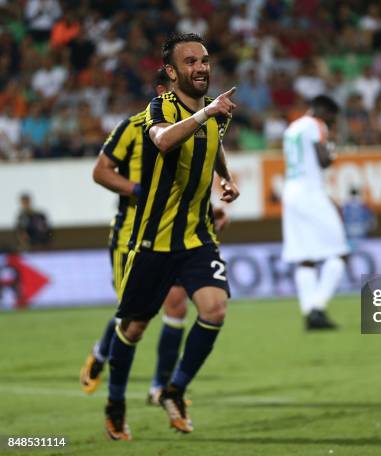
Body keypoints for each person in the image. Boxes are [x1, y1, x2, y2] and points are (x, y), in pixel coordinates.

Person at [102, 33, 239, 440]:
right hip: (154, 239)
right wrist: (207, 113)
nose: (201, 67)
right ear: (172, 71)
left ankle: (173, 390)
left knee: (214, 309)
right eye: (191, 61)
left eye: (205, 60)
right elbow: (163, 140)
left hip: (197, 234)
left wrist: (225, 179)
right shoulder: (161, 105)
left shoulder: (217, 112)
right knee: (133, 329)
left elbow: (213, 144)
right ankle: (115, 402)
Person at [79, 68, 229, 406]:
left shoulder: (195, 127)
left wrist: (211, 207)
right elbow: (100, 171)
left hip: (178, 235)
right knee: (132, 317)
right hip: (134, 232)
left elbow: (193, 180)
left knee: (176, 305)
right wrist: (138, 190)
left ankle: (160, 388)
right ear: (163, 90)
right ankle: (101, 353)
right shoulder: (133, 128)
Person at [281, 95, 349, 330]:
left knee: (305, 257)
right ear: (323, 111)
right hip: (310, 192)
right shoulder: (316, 125)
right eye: (331, 116)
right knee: (339, 252)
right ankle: (318, 307)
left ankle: (309, 312)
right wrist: (333, 149)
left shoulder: (292, 127)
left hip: (291, 191)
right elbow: (323, 161)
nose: (331, 122)